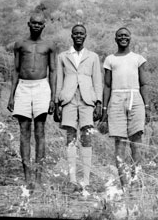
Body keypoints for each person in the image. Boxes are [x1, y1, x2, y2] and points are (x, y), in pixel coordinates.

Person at [7, 12, 56, 190]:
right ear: (28, 24)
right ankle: (28, 177)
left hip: (42, 87)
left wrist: (53, 96)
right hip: (23, 87)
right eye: (33, 23)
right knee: (24, 131)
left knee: (40, 131)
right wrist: (12, 95)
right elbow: (15, 70)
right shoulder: (20, 44)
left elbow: (53, 71)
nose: (36, 26)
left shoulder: (49, 45)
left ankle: (39, 176)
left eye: (39, 24)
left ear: (44, 25)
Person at [101, 27, 150, 191]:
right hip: (116, 99)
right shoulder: (110, 59)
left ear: (130, 38)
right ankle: (124, 185)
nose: (123, 38)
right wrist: (104, 107)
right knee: (120, 143)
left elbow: (143, 84)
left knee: (136, 142)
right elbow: (107, 85)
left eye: (126, 35)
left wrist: (147, 106)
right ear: (115, 39)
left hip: (135, 99)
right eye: (120, 35)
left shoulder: (138, 59)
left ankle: (137, 182)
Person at [55, 24, 103, 192]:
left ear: (85, 35)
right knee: (70, 137)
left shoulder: (93, 57)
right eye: (75, 33)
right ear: (71, 35)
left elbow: (97, 80)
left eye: (81, 33)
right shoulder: (63, 56)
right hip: (68, 99)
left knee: (86, 137)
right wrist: (57, 103)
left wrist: (99, 102)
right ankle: (72, 180)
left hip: (87, 99)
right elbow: (59, 80)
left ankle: (86, 181)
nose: (78, 36)